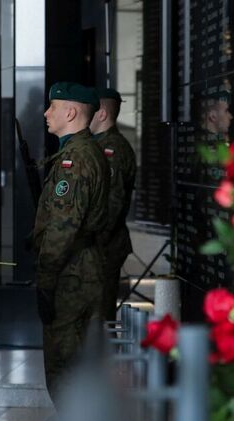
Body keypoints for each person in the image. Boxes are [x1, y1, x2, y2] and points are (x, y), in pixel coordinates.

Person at [33, 82, 110, 402]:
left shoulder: (74, 160)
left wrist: (46, 278)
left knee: (65, 364)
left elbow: (64, 226)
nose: (47, 113)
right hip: (82, 268)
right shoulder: (80, 152)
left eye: (53, 106)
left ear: (71, 111)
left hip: (71, 274)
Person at [88, 87, 137, 321]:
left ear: (102, 113)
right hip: (97, 247)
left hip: (104, 247)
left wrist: (92, 241)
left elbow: (113, 202)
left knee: (99, 315)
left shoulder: (113, 149)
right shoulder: (95, 145)